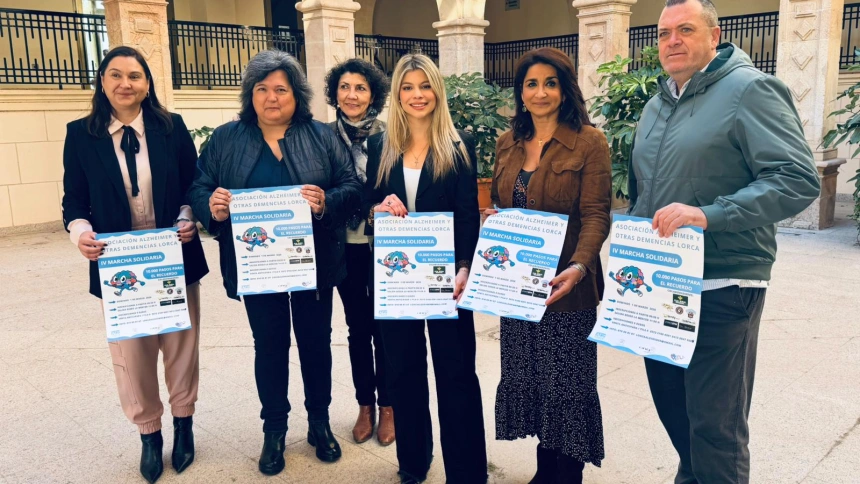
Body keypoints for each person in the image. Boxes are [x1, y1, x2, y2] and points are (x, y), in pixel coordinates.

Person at [630, 1, 821, 483]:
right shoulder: (656, 104)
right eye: (664, 32)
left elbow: (796, 179)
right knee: (676, 413)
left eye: (685, 30)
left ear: (714, 36)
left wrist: (710, 216)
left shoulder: (750, 89)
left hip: (723, 284)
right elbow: (644, 192)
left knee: (716, 426)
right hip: (661, 283)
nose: (672, 40)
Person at [187, 50, 362, 476]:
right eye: (261, 89)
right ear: (250, 94)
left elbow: (352, 186)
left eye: (280, 89)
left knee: (316, 344)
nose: (270, 97)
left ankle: (319, 423)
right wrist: (211, 205)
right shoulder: (227, 139)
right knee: (269, 346)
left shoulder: (321, 136)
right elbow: (198, 185)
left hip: (313, 265)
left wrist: (325, 200)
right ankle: (275, 429)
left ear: (295, 94)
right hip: (258, 268)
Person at [62, 46, 208, 484]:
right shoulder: (80, 134)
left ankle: (184, 423)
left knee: (181, 346)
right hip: (118, 267)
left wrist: (188, 218)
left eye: (135, 76)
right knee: (133, 353)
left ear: (148, 83)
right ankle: (149, 433)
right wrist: (81, 233)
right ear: (102, 82)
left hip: (173, 258)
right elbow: (74, 201)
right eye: (115, 75)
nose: (126, 84)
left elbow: (193, 184)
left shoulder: (171, 128)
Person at [487, 47, 611, 484]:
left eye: (550, 83)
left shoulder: (589, 142)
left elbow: (597, 215)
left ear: (564, 89)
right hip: (518, 287)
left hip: (567, 287)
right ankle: (546, 469)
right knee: (535, 379)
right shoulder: (508, 143)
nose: (540, 92)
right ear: (521, 92)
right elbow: (503, 204)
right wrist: (495, 224)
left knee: (569, 384)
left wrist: (579, 266)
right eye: (531, 84)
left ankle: (567, 472)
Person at [363, 54, 488, 484]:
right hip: (398, 282)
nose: (417, 95)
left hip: (447, 281)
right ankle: (413, 463)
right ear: (397, 93)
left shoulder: (458, 144)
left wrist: (466, 266)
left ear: (437, 90)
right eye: (408, 87)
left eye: (425, 86)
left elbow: (468, 214)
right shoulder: (380, 146)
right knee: (403, 373)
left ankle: (468, 473)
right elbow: (368, 208)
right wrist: (379, 208)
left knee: (456, 375)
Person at [322, 58, 395, 446]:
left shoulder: (391, 135)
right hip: (342, 246)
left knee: (384, 328)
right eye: (345, 87)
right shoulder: (321, 136)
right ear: (335, 93)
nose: (352, 95)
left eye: (361, 88)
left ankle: (389, 407)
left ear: (373, 95)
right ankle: (365, 404)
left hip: (385, 248)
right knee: (356, 328)